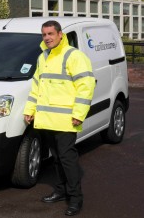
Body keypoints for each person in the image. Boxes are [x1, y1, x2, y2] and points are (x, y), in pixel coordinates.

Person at [23, 20, 95, 216]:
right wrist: (30, 109)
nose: (47, 38)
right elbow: (36, 86)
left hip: (66, 120)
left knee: (67, 159)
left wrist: (79, 114)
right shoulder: (43, 57)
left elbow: (86, 86)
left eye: (50, 34)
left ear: (60, 34)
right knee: (56, 158)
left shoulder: (74, 56)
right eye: (44, 34)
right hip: (46, 119)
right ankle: (61, 191)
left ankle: (75, 198)